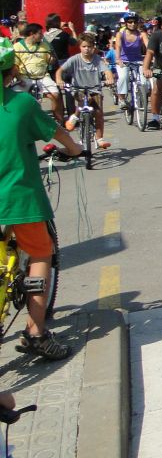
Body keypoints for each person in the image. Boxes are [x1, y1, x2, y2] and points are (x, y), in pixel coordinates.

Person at [0, 38, 84, 360]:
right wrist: (74, 150)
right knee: (40, 253)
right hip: (17, 196)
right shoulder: (21, 104)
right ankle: (35, 332)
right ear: (12, 71)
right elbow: (59, 134)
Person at [56, 32, 115, 149]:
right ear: (80, 47)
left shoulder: (97, 59)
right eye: (84, 46)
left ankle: (99, 139)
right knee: (85, 98)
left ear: (93, 47)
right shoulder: (74, 59)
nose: (86, 49)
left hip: (95, 89)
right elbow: (59, 71)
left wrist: (110, 78)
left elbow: (107, 71)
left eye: (89, 46)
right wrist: (59, 80)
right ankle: (75, 116)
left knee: (98, 113)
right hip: (78, 89)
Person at [13, 23, 61, 120]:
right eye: (40, 33)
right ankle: (17, 119)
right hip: (24, 77)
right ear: (32, 34)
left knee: (55, 95)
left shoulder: (44, 45)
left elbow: (50, 61)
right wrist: (19, 79)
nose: (42, 35)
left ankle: (57, 122)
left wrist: (52, 57)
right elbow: (15, 66)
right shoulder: (18, 46)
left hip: (43, 76)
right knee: (15, 97)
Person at [114, 14, 149, 109]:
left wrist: (151, 58)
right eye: (130, 22)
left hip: (138, 61)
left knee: (145, 82)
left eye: (134, 22)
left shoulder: (142, 34)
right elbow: (118, 46)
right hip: (124, 61)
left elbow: (149, 47)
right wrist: (118, 59)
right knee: (123, 77)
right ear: (126, 23)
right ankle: (121, 99)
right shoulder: (120, 34)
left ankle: (141, 96)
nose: (132, 24)